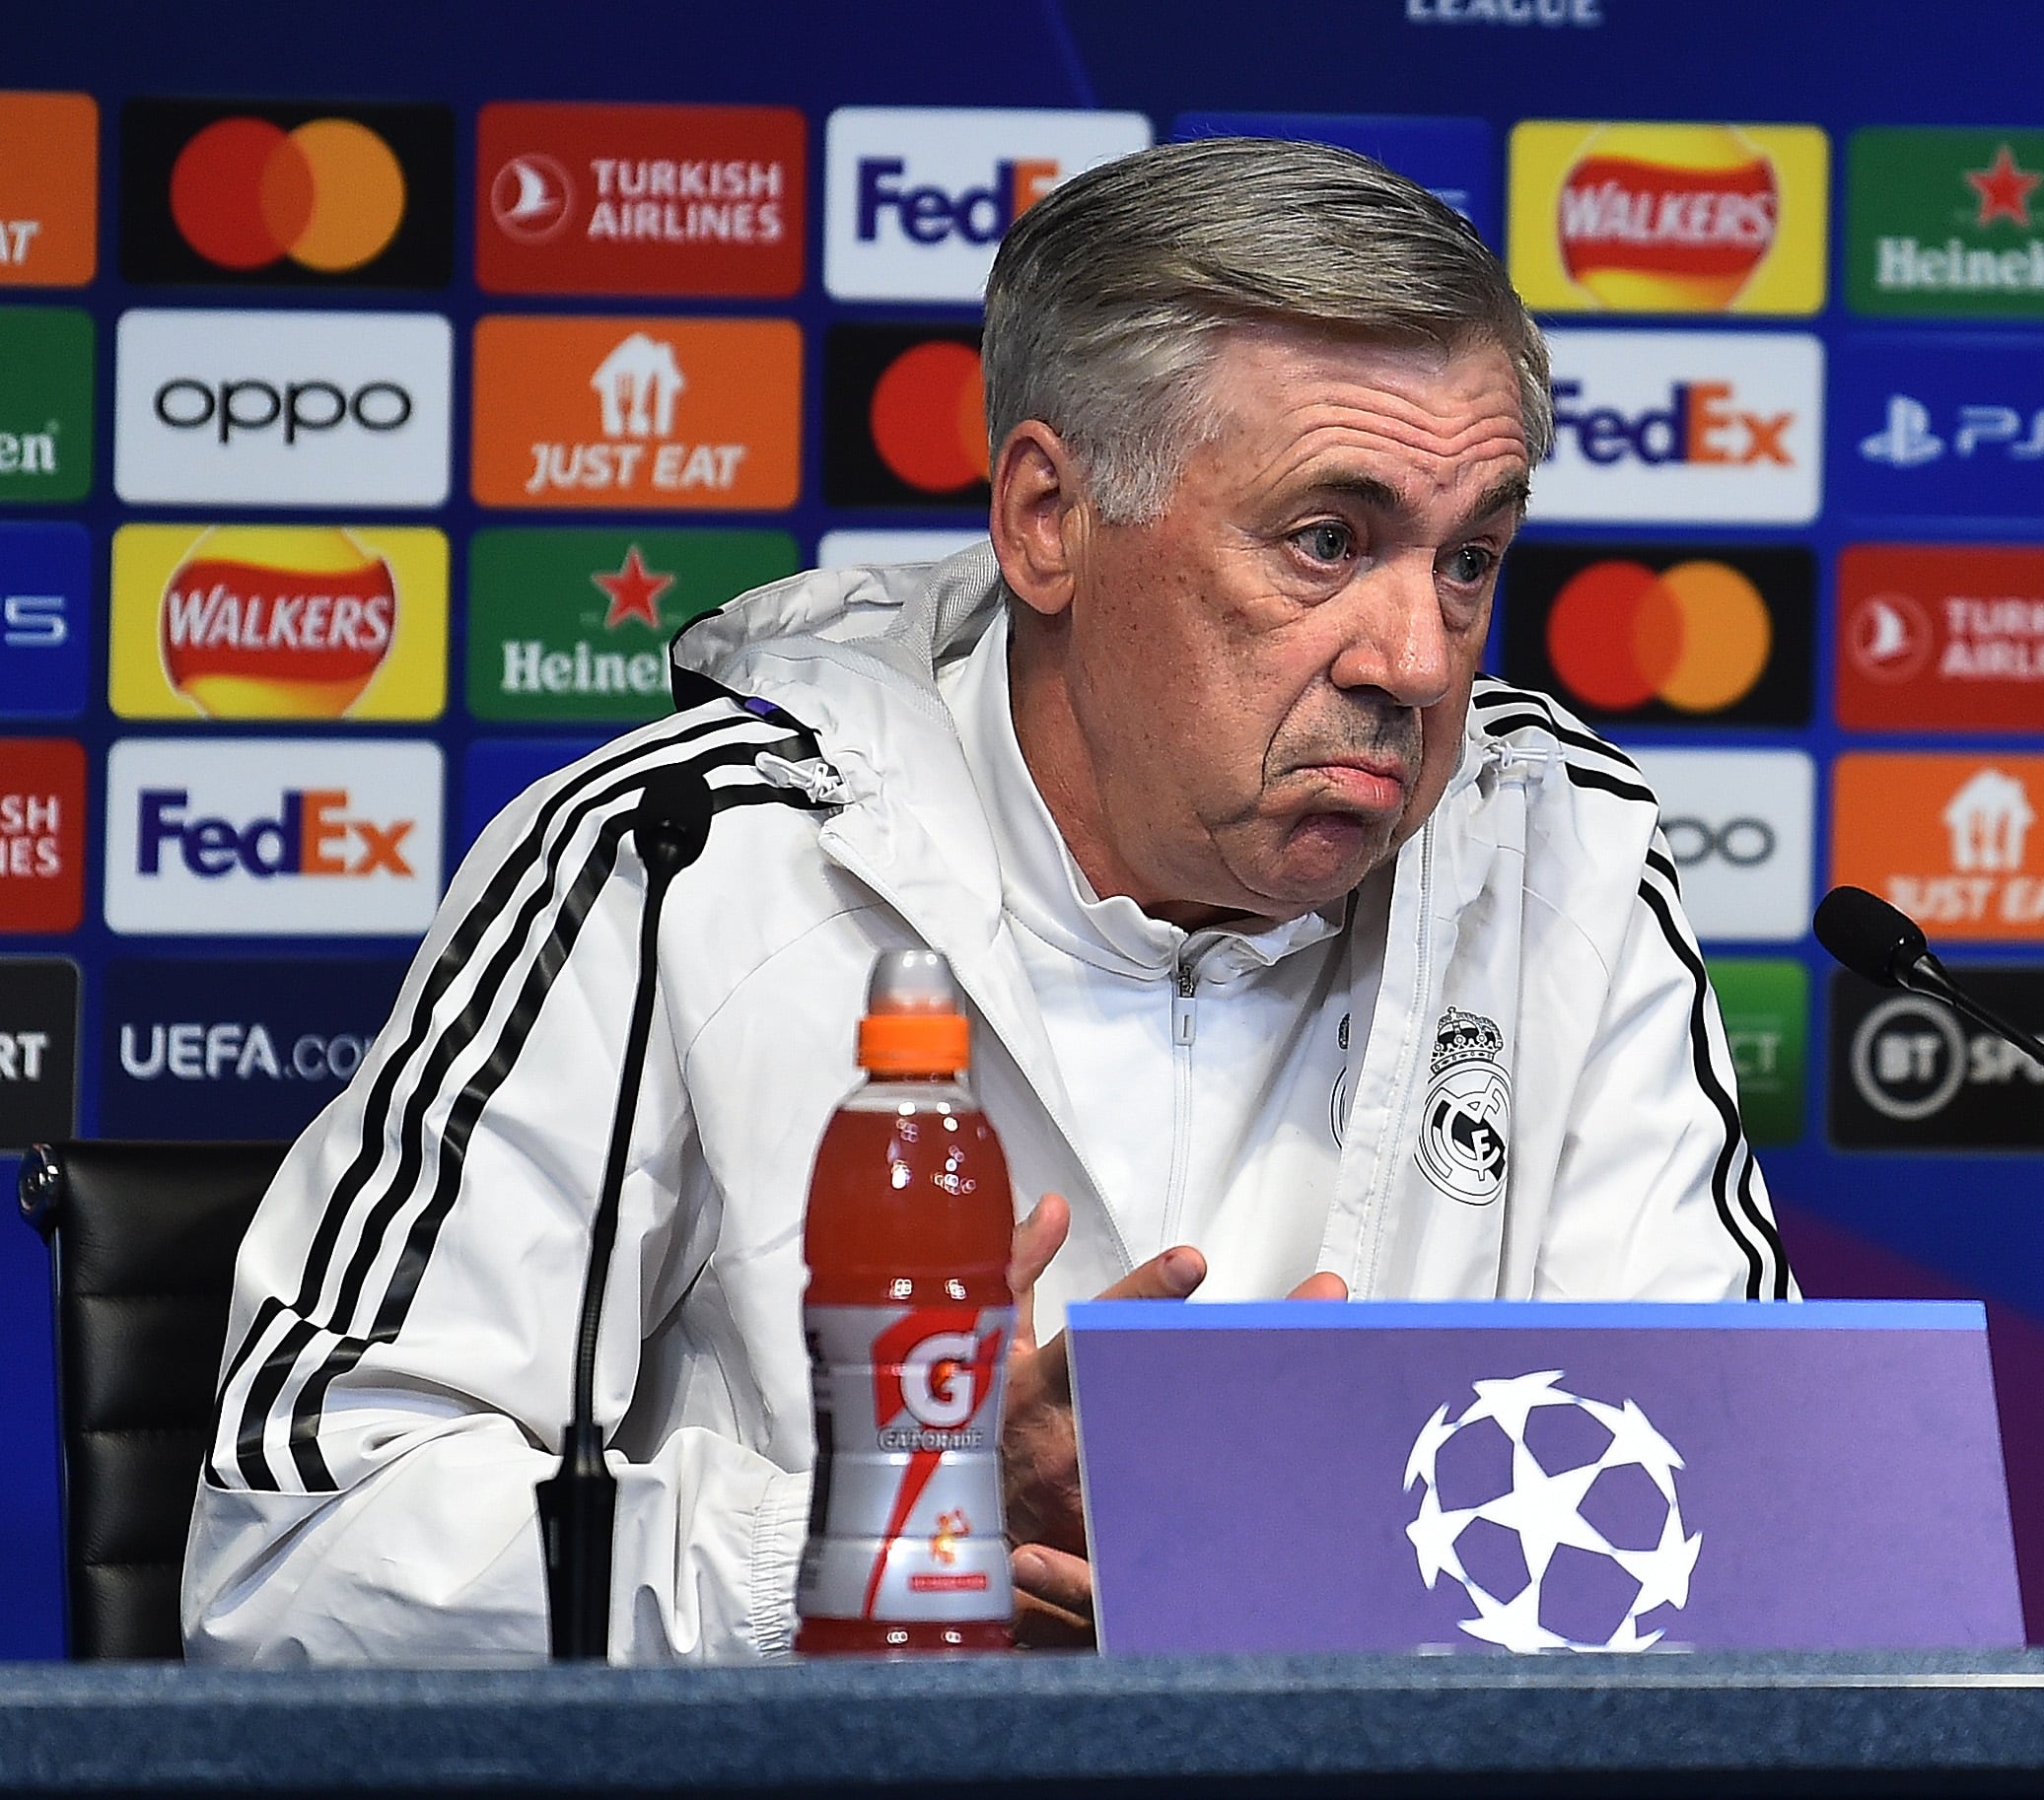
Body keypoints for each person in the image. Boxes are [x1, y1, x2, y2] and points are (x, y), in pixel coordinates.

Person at [182, 137, 1795, 1665]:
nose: (1420, 658)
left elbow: (1754, 1540)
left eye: (1466, 557)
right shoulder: (677, 863)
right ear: (1048, 520)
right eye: (1326, 540)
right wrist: (895, 1533)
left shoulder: (1558, 852)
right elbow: (296, 1564)